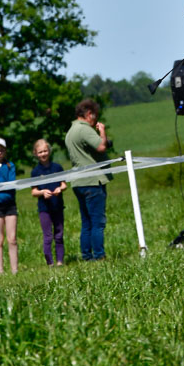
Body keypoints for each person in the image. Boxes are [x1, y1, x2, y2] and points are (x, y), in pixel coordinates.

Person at [65, 99, 111, 261]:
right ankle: (99, 255)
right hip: (92, 181)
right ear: (89, 114)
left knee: (86, 222)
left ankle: (86, 255)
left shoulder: (71, 131)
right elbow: (101, 146)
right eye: (95, 116)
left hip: (79, 182)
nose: (95, 120)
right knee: (97, 222)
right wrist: (102, 132)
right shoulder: (84, 129)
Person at [31, 139, 67, 266]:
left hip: (58, 205)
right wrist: (42, 192)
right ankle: (50, 262)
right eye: (40, 152)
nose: (43, 154)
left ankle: (60, 261)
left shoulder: (57, 167)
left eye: (45, 151)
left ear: (49, 151)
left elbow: (64, 184)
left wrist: (60, 189)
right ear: (36, 153)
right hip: (44, 208)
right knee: (47, 236)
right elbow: (33, 191)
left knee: (59, 234)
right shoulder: (35, 172)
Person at [0, 137, 18, 274]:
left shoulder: (10, 166)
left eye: (1, 150)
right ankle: (0, 270)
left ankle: (14, 269)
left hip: (10, 205)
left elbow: (11, 184)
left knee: (12, 239)